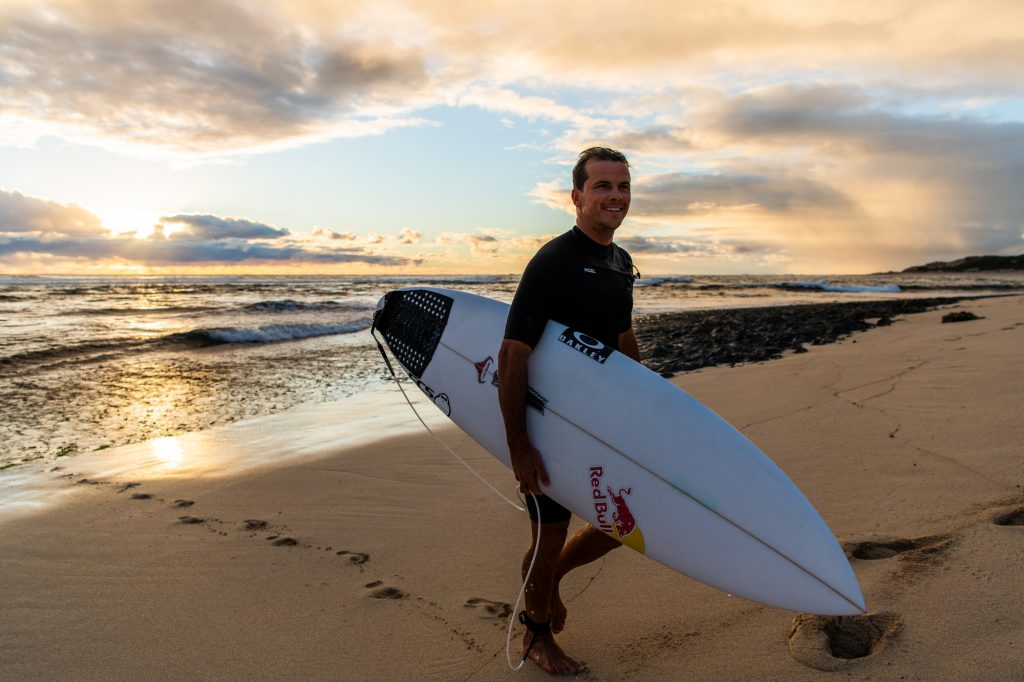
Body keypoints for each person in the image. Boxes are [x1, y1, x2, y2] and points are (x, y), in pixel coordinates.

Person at [498, 147, 639, 675]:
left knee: (622, 521)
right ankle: (536, 638)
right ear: (576, 196)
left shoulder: (618, 261)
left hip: (597, 418)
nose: (616, 197)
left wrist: (647, 402)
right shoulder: (554, 260)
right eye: (603, 186)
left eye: (622, 186)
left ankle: (548, 578)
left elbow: (622, 338)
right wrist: (519, 445)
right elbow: (513, 353)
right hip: (547, 420)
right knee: (551, 530)